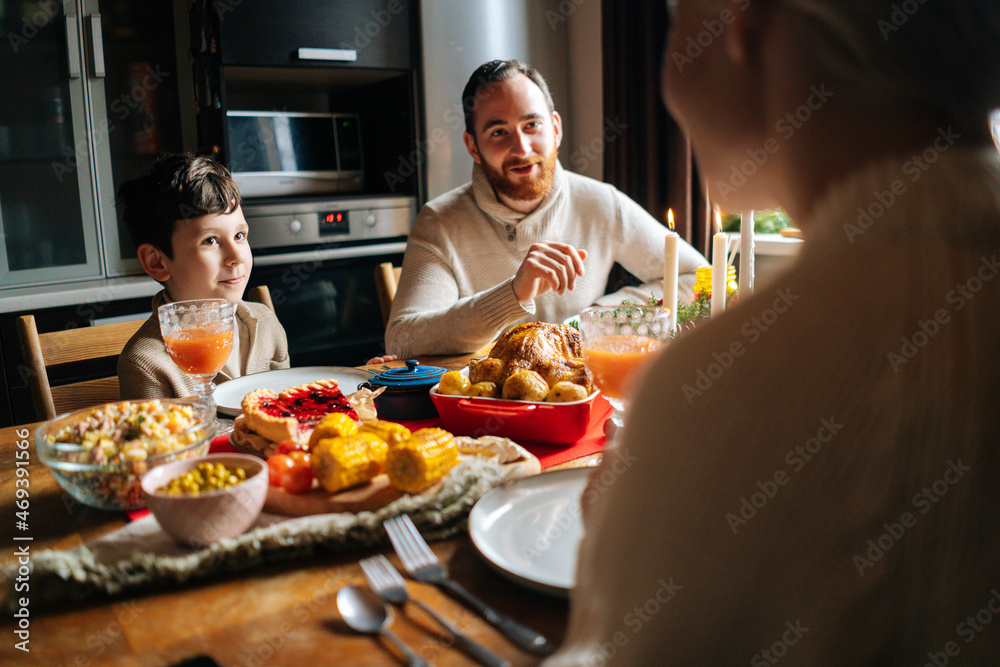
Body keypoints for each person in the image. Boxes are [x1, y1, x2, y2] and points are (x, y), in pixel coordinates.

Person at [546, 0, 1000, 664]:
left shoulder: (717, 398)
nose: (668, 82)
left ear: (745, 25)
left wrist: (616, 540)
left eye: (676, 24)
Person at [385, 59, 706, 358]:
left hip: (578, 391)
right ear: (473, 147)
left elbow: (699, 278)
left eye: (532, 125)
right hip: (490, 404)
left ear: (555, 128)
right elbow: (402, 339)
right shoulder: (440, 221)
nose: (521, 149)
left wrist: (593, 320)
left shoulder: (602, 203)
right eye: (498, 132)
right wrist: (513, 294)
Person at [117, 153, 289, 399]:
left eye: (240, 236)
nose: (236, 256)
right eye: (210, 240)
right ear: (156, 262)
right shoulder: (146, 363)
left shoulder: (266, 325)